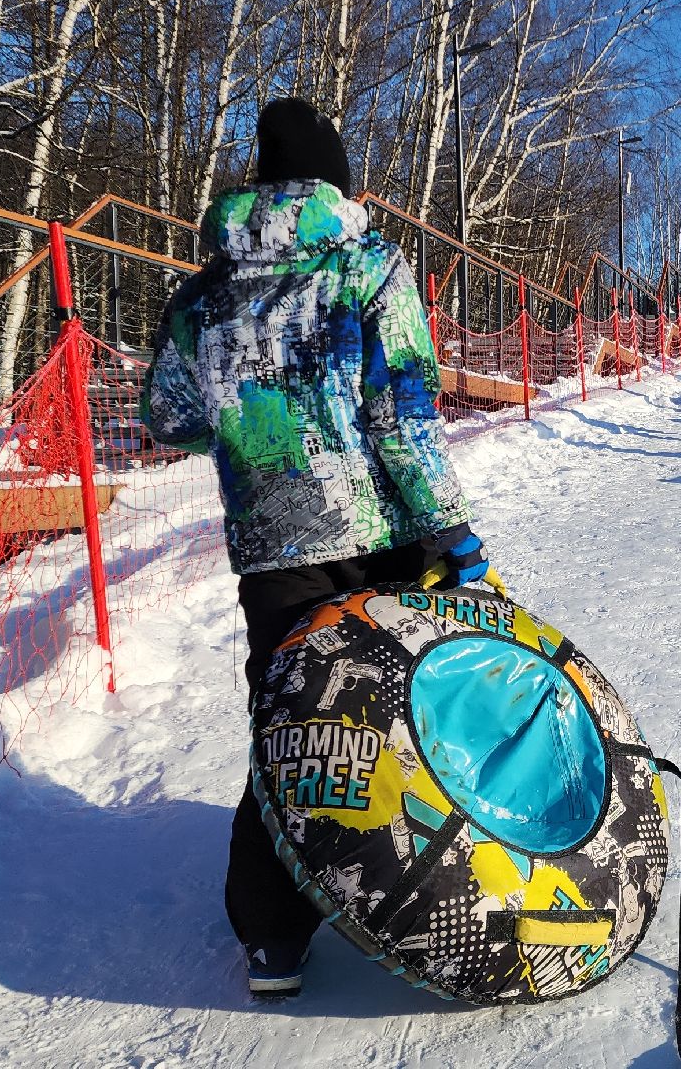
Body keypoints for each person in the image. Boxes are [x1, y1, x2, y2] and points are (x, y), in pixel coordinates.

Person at [142, 98, 483, 999]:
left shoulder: (203, 290)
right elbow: (400, 414)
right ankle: (430, 896)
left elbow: (167, 415)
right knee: (408, 715)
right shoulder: (367, 264)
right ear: (336, 182)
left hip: (270, 550)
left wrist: (253, 435)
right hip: (381, 538)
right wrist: (448, 524)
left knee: (292, 722)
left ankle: (271, 937)